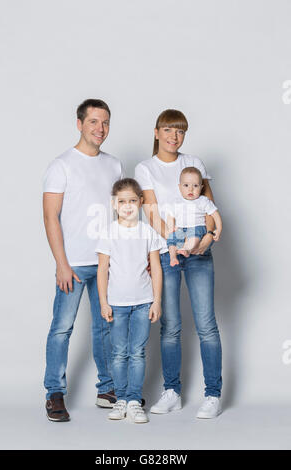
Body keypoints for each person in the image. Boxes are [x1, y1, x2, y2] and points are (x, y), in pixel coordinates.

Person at [135, 109, 223, 419]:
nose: (175, 136)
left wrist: (207, 239)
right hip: (166, 253)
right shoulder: (145, 168)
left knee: (206, 325)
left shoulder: (194, 163)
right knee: (170, 326)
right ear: (156, 132)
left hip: (199, 252)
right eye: (169, 130)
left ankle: (212, 394)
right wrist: (174, 241)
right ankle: (171, 391)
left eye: (180, 131)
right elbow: (151, 213)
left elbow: (211, 209)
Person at [43, 99, 124, 422]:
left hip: (107, 261)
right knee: (62, 328)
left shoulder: (115, 165)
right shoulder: (61, 165)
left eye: (104, 122)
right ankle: (54, 393)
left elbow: (122, 213)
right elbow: (50, 216)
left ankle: (107, 389)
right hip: (74, 263)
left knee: (106, 326)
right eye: (93, 122)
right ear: (79, 124)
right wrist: (61, 263)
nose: (99, 129)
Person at [96, 178, 163, 423]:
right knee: (119, 353)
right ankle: (121, 398)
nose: (127, 206)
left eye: (132, 201)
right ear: (114, 204)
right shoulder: (108, 232)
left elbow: (156, 268)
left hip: (143, 301)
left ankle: (135, 399)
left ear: (141, 202)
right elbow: (102, 270)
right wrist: (103, 302)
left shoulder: (148, 232)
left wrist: (156, 301)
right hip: (116, 304)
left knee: (137, 352)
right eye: (122, 201)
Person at [166, 166, 222, 266]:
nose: (190, 189)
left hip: (197, 227)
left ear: (201, 187)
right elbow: (170, 215)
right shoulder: (176, 202)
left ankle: (187, 250)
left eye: (195, 186)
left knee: (194, 237)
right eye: (186, 185)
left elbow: (215, 214)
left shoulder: (203, 201)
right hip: (180, 228)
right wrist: (171, 228)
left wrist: (218, 229)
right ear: (179, 187)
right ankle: (173, 257)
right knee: (172, 240)